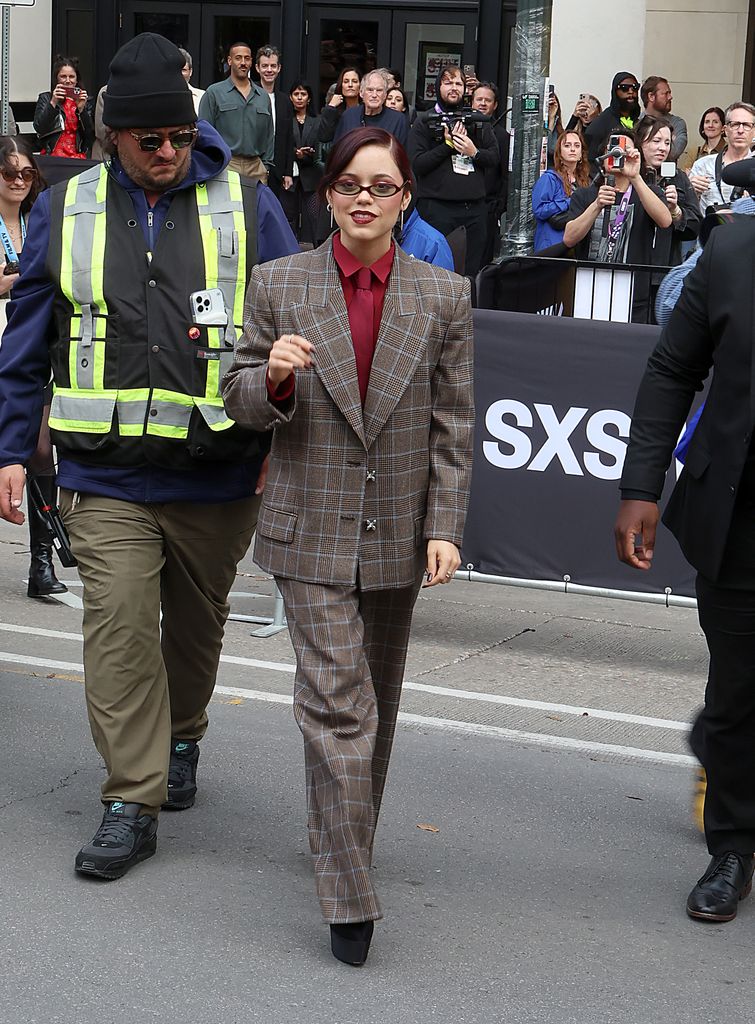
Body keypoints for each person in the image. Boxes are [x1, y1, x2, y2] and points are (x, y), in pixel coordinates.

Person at [0, 32, 298, 881]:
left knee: (194, 633)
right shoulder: (70, 205)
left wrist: (286, 422)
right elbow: (26, 345)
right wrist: (12, 449)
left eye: (178, 136)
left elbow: (289, 329)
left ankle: (183, 734)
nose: (167, 152)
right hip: (103, 471)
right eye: (148, 140)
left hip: (216, 470)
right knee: (120, 629)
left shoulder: (249, 208)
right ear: (113, 138)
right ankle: (131, 797)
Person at [221, 126, 474, 965]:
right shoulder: (279, 284)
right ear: (326, 193)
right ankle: (348, 894)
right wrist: (276, 377)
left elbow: (451, 425)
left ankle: (340, 840)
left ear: (405, 200)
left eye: (382, 186)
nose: (362, 198)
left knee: (378, 708)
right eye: (347, 185)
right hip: (308, 529)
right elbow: (237, 397)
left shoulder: (442, 296)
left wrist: (443, 526)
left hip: (399, 534)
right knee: (339, 706)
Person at [614, 163, 755, 924]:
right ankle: (732, 847)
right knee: (736, 688)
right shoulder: (731, 255)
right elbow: (672, 368)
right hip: (739, 517)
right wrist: (639, 487)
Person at [0, 136, 64, 599]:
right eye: (10, 174)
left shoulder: (37, 217)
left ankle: (41, 561)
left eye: (27, 174)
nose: (21, 181)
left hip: (27, 345)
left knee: (41, 448)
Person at [563, 132, 672, 322]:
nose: (617, 154)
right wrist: (596, 205)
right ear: (603, 155)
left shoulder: (648, 192)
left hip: (633, 293)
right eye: (612, 148)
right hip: (589, 289)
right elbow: (569, 238)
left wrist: (636, 176)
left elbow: (665, 221)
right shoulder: (585, 195)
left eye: (624, 150)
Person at [408, 65, 499, 277]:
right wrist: (447, 146)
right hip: (437, 210)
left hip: (474, 212)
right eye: (448, 82)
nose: (454, 88)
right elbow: (416, 164)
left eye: (458, 83)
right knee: (435, 272)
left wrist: (473, 151)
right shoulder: (425, 120)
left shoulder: (477, 120)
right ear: (438, 86)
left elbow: (494, 157)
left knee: (469, 274)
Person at [198, 41, 273, 184]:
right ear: (229, 61)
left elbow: (269, 134)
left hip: (256, 167)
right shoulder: (214, 93)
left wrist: (266, 165)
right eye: (238, 58)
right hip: (227, 164)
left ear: (251, 62)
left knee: (257, 206)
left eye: (247, 58)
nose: (243, 62)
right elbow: (204, 132)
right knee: (227, 207)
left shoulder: (263, 96)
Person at [636, 116, 699, 266]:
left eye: (667, 143)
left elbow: (695, 225)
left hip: (666, 265)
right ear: (640, 142)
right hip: (633, 264)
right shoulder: (629, 175)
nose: (663, 148)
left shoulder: (678, 177)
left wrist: (676, 211)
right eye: (656, 141)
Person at [688, 102, 755, 214]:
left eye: (747, 125)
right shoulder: (703, 165)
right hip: (710, 228)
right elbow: (688, 210)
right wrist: (690, 190)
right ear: (725, 129)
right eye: (735, 124)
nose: (740, 130)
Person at [531, 129, 590, 253]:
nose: (572, 149)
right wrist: (570, 201)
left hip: (576, 246)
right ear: (560, 153)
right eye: (567, 145)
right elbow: (539, 210)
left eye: (577, 146)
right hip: (551, 246)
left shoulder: (584, 181)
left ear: (581, 153)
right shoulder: (549, 178)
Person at [280, 80, 323, 244]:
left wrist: (307, 154)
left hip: (311, 175)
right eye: (296, 94)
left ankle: (317, 250)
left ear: (309, 98)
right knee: (288, 215)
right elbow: (281, 145)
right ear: (290, 97)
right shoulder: (285, 120)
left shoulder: (317, 121)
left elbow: (321, 145)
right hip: (290, 173)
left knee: (314, 216)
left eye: (303, 94)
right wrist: (294, 153)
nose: (299, 98)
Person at [471, 81, 509, 264]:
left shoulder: (501, 136)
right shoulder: (461, 129)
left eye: (488, 100)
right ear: (471, 102)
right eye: (479, 99)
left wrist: (498, 206)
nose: (483, 103)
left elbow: (505, 173)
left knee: (481, 261)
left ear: (495, 105)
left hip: (488, 207)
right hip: (462, 204)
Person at [34, 55, 95, 159]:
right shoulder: (46, 98)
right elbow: (40, 128)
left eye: (71, 77)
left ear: (77, 80)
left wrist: (81, 110)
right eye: (63, 76)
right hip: (52, 156)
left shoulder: (85, 101)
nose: (68, 81)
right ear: (57, 79)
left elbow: (90, 136)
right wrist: (53, 102)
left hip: (77, 157)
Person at [255, 44, 294, 198]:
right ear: (257, 68)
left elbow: (289, 138)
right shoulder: (249, 96)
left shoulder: (285, 101)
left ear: (279, 68)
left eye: (273, 66)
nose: (269, 70)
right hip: (253, 165)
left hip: (277, 171)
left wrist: (288, 172)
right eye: (265, 66)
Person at [333, 71, 409, 148]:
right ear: (361, 93)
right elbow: (338, 150)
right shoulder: (348, 116)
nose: (374, 95)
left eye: (379, 90)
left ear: (385, 95)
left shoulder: (398, 120)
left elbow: (402, 154)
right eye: (370, 90)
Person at [584, 72, 641, 164]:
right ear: (615, 91)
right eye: (624, 88)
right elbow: (590, 159)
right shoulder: (600, 123)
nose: (631, 92)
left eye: (635, 87)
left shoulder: (639, 122)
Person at [639, 76, 688, 161]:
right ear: (651, 96)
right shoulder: (636, 123)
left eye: (667, 142)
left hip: (668, 173)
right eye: (666, 94)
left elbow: (673, 153)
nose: (670, 97)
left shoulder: (677, 123)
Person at [317, 67, 361, 145]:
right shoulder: (335, 111)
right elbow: (324, 137)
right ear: (341, 85)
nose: (350, 85)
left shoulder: (366, 109)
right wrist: (331, 106)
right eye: (346, 81)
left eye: (354, 81)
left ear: (360, 86)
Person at [178, 47, 204, 115]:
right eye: (176, 70)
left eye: (183, 70)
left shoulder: (203, 96)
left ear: (191, 72)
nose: (180, 74)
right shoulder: (161, 96)